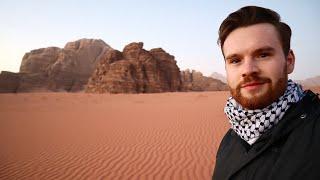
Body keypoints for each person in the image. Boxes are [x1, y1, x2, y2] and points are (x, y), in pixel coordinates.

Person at [212, 6, 320, 180]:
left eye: (263, 55)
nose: (248, 70)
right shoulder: (230, 139)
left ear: (289, 61)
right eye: (235, 60)